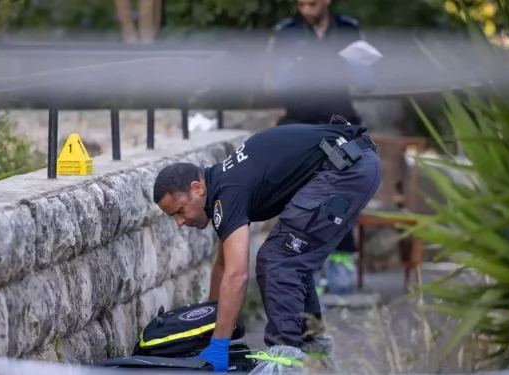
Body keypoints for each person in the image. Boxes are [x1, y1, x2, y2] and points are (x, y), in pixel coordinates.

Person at [152, 123, 382, 372]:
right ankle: (313, 356)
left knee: (278, 259)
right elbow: (223, 266)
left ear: (197, 188)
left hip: (346, 169)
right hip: (351, 162)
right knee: (291, 257)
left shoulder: (229, 192)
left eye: (179, 211)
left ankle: (284, 363)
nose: (180, 222)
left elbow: (237, 275)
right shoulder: (222, 187)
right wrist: (210, 330)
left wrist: (219, 344)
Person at [264, 0, 375, 127]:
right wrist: (279, 82)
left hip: (340, 117)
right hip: (299, 120)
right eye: (301, 5)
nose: (306, 11)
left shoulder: (348, 28)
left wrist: (361, 73)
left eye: (312, 4)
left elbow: (367, 86)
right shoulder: (286, 31)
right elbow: (268, 86)